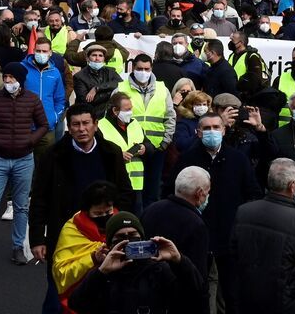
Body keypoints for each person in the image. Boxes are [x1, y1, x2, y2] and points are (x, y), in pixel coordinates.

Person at [29, 102, 133, 313]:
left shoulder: (111, 153)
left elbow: (126, 194)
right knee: (57, 294)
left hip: (104, 237)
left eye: (86, 123)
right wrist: (38, 239)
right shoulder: (52, 155)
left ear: (95, 124)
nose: (81, 129)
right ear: (69, 127)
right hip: (64, 237)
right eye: (75, 124)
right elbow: (39, 198)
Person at [164, 112, 262, 314]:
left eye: (216, 128)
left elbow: (253, 193)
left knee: (232, 291)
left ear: (224, 130)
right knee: (198, 288)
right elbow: (170, 192)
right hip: (197, 236)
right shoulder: (187, 159)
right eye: (206, 128)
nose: (212, 132)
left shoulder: (238, 159)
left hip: (230, 237)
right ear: (198, 132)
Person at [0, 62, 49, 267]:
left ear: (20, 80)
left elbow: (43, 125)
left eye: (11, 78)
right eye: (5, 77)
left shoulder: (32, 100)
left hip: (24, 159)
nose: (7, 81)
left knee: (21, 206)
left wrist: (31, 140)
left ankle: (18, 248)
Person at [67, 212, 204, 314]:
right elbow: (76, 303)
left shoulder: (158, 269)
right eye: (120, 237)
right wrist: (101, 272)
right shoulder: (105, 273)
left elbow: (195, 294)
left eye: (133, 236)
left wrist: (179, 260)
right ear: (109, 245)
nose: (128, 241)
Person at [231, 158, 295, 314]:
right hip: (284, 302)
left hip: (247, 297)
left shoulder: (244, 211)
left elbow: (234, 252)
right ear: (292, 186)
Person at [143, 166, 212, 314]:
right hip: (181, 301)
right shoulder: (196, 224)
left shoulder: (151, 210)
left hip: (150, 296)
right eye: (207, 192)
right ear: (199, 194)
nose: (207, 196)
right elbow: (198, 278)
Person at [50, 180, 120, 312]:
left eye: (108, 211)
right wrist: (93, 258)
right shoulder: (72, 231)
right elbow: (61, 273)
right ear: (87, 211)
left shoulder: (121, 225)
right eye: (98, 214)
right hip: (83, 298)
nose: (105, 216)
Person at [117, 53, 176, 209]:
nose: (143, 72)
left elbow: (170, 117)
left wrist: (165, 142)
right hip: (131, 150)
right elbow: (113, 117)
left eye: (147, 69)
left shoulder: (162, 89)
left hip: (156, 148)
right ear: (133, 68)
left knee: (152, 191)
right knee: (132, 192)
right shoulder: (121, 87)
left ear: (151, 69)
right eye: (139, 68)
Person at [98, 93, 150, 210]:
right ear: (115, 111)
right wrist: (117, 155)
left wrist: (144, 148)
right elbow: (98, 152)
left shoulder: (135, 124)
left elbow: (149, 145)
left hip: (136, 183)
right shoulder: (101, 126)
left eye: (131, 109)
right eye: (127, 110)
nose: (130, 112)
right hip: (113, 183)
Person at [23, 38, 67, 153]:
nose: (41, 54)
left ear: (50, 53)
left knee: (46, 164)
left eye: (44, 51)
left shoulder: (55, 72)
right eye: (38, 51)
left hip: (47, 127)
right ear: (33, 50)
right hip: (24, 127)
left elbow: (60, 99)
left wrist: (54, 117)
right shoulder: (22, 68)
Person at [72, 44, 122, 120]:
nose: (97, 58)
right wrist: (110, 94)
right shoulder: (79, 76)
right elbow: (86, 100)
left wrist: (97, 88)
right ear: (87, 58)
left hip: (110, 116)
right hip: (90, 117)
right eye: (94, 55)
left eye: (100, 56)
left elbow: (119, 84)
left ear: (104, 59)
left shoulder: (111, 71)